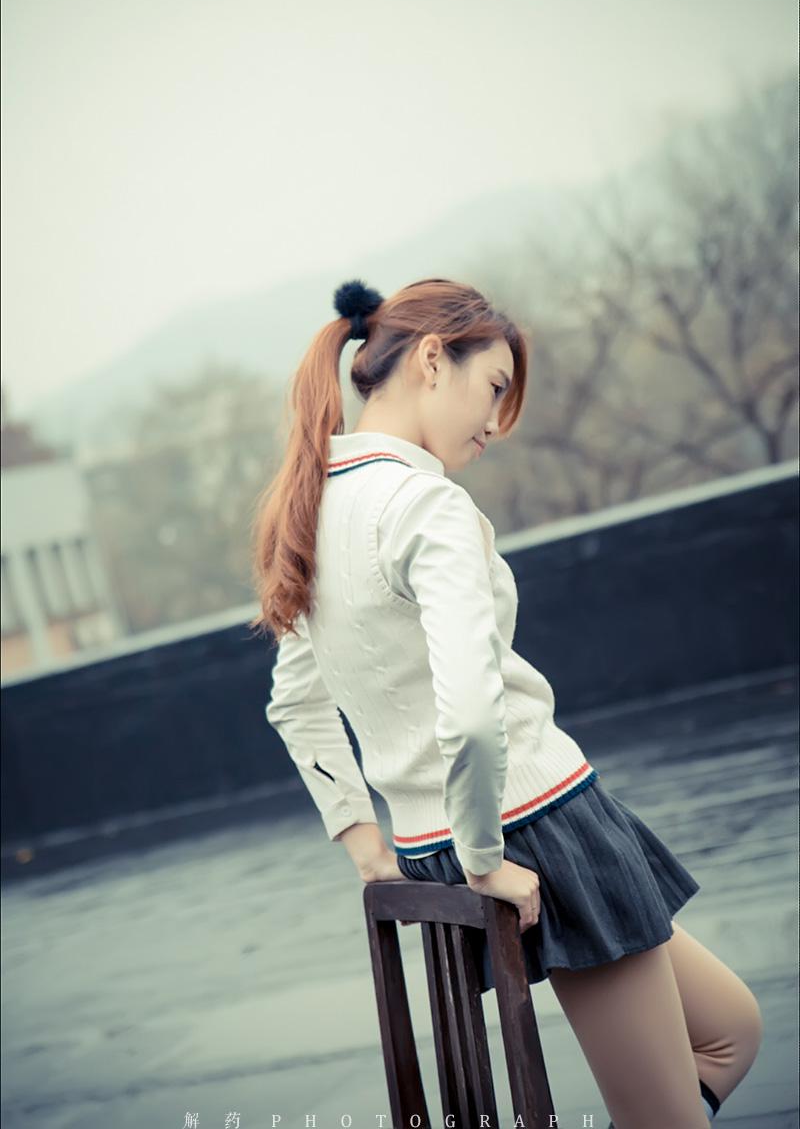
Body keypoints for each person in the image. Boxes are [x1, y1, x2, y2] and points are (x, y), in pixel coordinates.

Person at [250, 278, 763, 1129]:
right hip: (538, 824)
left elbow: (295, 706)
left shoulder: (312, 507)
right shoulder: (425, 505)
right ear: (429, 360)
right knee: (666, 1116)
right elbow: (470, 711)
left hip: (449, 839)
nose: (494, 423)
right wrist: (484, 858)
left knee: (730, 1031)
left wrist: (368, 844)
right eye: (492, 387)